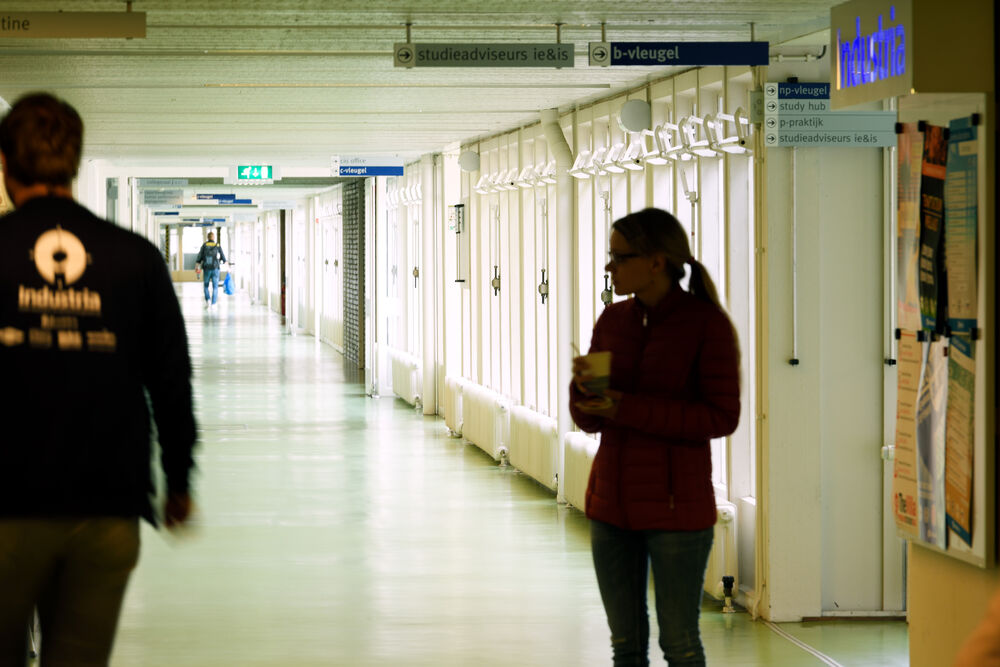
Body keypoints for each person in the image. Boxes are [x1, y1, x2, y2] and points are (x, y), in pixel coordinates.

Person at [0, 93, 198, 665]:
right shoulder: (135, 259)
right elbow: (170, 378)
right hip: (106, 506)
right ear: (74, 163)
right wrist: (178, 479)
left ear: (6, 164)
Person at [569, 208, 741, 666]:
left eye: (619, 257)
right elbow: (590, 420)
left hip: (676, 510)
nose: (610, 267)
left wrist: (625, 407)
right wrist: (584, 394)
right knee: (625, 647)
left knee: (679, 645)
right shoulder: (612, 320)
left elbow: (721, 416)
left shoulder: (706, 325)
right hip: (611, 506)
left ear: (656, 262)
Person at [194, 231, 226, 308]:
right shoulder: (217, 245)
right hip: (215, 268)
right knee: (215, 287)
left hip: (207, 268)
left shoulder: (204, 245)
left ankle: (208, 300)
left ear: (208, 237)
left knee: (206, 286)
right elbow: (223, 256)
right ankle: (213, 303)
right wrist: (227, 265)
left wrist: (197, 266)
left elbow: (199, 257)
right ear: (213, 237)